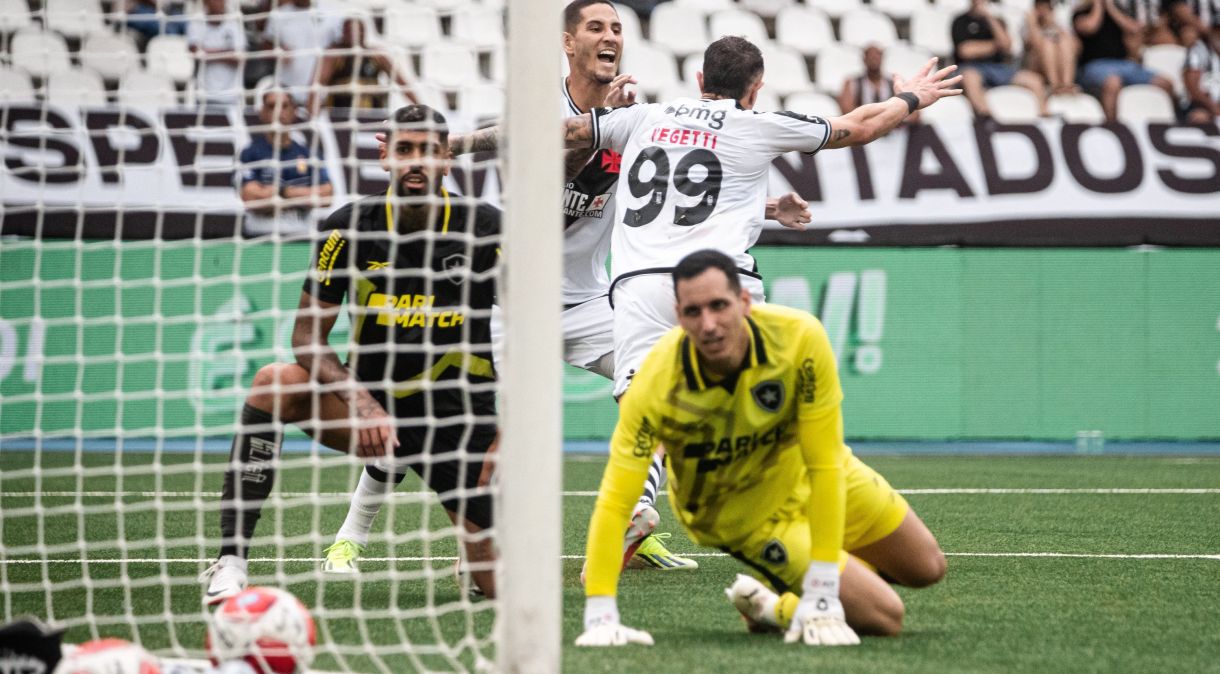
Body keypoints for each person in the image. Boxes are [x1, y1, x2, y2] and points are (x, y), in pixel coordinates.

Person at [201, 104, 501, 603]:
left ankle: (476, 555)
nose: (416, 163)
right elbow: (307, 339)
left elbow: (533, 328)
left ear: (447, 159)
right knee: (275, 382)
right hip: (373, 416)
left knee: (497, 586)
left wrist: (505, 435)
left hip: (458, 420)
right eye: (404, 150)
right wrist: (363, 405)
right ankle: (230, 561)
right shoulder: (347, 228)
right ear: (385, 157)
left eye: (428, 151)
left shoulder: (486, 226)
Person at [558, 35, 959, 408]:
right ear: (756, 89)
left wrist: (492, 141)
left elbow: (563, 134)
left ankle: (646, 482)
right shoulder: (759, 126)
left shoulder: (642, 118)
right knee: (754, 406)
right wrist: (910, 97)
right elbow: (860, 126)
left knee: (644, 406)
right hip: (721, 283)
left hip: (640, 283)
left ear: (700, 78)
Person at [575, 250, 947, 647]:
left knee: (927, 568)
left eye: (719, 306)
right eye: (694, 312)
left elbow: (824, 465)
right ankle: (779, 610)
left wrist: (823, 588)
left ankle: (784, 598)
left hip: (805, 471)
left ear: (745, 303)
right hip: (744, 514)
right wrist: (600, 614)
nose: (710, 324)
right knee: (885, 616)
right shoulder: (655, 383)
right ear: (679, 317)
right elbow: (617, 499)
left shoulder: (799, 337)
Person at [237, 89, 333, 237]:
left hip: (300, 235)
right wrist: (299, 195)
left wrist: (282, 192)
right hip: (258, 236)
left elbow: (326, 195)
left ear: (294, 111)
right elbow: (250, 198)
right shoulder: (249, 153)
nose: (278, 112)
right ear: (262, 112)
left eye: (284, 106)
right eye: (271, 106)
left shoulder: (309, 154)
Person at [1075, 0, 1176, 122]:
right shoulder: (1081, 12)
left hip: (1125, 64)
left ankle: (1177, 121)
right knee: (1113, 83)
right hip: (1094, 65)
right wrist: (1099, 5)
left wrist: (1111, 9)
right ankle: (1112, 126)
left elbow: (1133, 29)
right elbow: (1090, 27)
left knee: (1165, 83)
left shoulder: (1119, 11)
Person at [306, 14, 417, 117]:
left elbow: (402, 83)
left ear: (365, 33)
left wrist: (420, 107)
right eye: (350, 31)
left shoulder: (376, 55)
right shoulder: (334, 55)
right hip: (340, 116)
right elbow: (316, 85)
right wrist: (312, 115)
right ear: (343, 33)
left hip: (372, 116)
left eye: (359, 30)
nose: (355, 34)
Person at [952, 0, 1048, 118]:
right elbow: (965, 51)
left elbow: (1006, 45)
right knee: (970, 77)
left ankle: (1045, 116)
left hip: (998, 68)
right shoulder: (960, 21)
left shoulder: (996, 21)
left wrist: (989, 18)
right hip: (972, 67)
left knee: (1034, 80)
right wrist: (995, 46)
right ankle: (985, 115)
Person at [260, 0, 345, 106]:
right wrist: (278, 51)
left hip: (321, 93)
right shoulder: (278, 14)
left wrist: (326, 72)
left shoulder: (332, 12)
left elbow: (341, 47)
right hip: (287, 93)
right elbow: (266, 44)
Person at [187, 0, 248, 107]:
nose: (218, 3)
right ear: (205, 2)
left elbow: (240, 57)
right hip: (204, 95)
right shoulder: (197, 22)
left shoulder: (235, 23)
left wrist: (208, 52)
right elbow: (196, 53)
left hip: (231, 97)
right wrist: (228, 52)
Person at [838, 44, 921, 124]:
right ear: (864, 59)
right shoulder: (852, 83)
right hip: (864, 130)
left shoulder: (895, 81)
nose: (874, 59)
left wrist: (893, 119)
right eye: (870, 56)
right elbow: (847, 112)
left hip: (894, 130)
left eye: (877, 55)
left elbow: (914, 114)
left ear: (882, 58)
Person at [1023, 0, 1081, 96]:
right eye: (1040, 7)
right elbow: (1035, 44)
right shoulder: (1028, 25)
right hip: (1035, 68)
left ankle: (1067, 83)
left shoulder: (1057, 26)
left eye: (1046, 7)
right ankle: (1054, 85)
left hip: (1059, 67)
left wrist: (1054, 24)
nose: (1043, 11)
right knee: (1047, 45)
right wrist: (1033, 23)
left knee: (1064, 42)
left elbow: (1076, 48)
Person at [1181, 22, 1220, 122]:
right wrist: (1213, 107)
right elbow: (1193, 88)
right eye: (1217, 31)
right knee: (1199, 117)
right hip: (1202, 104)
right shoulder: (1199, 50)